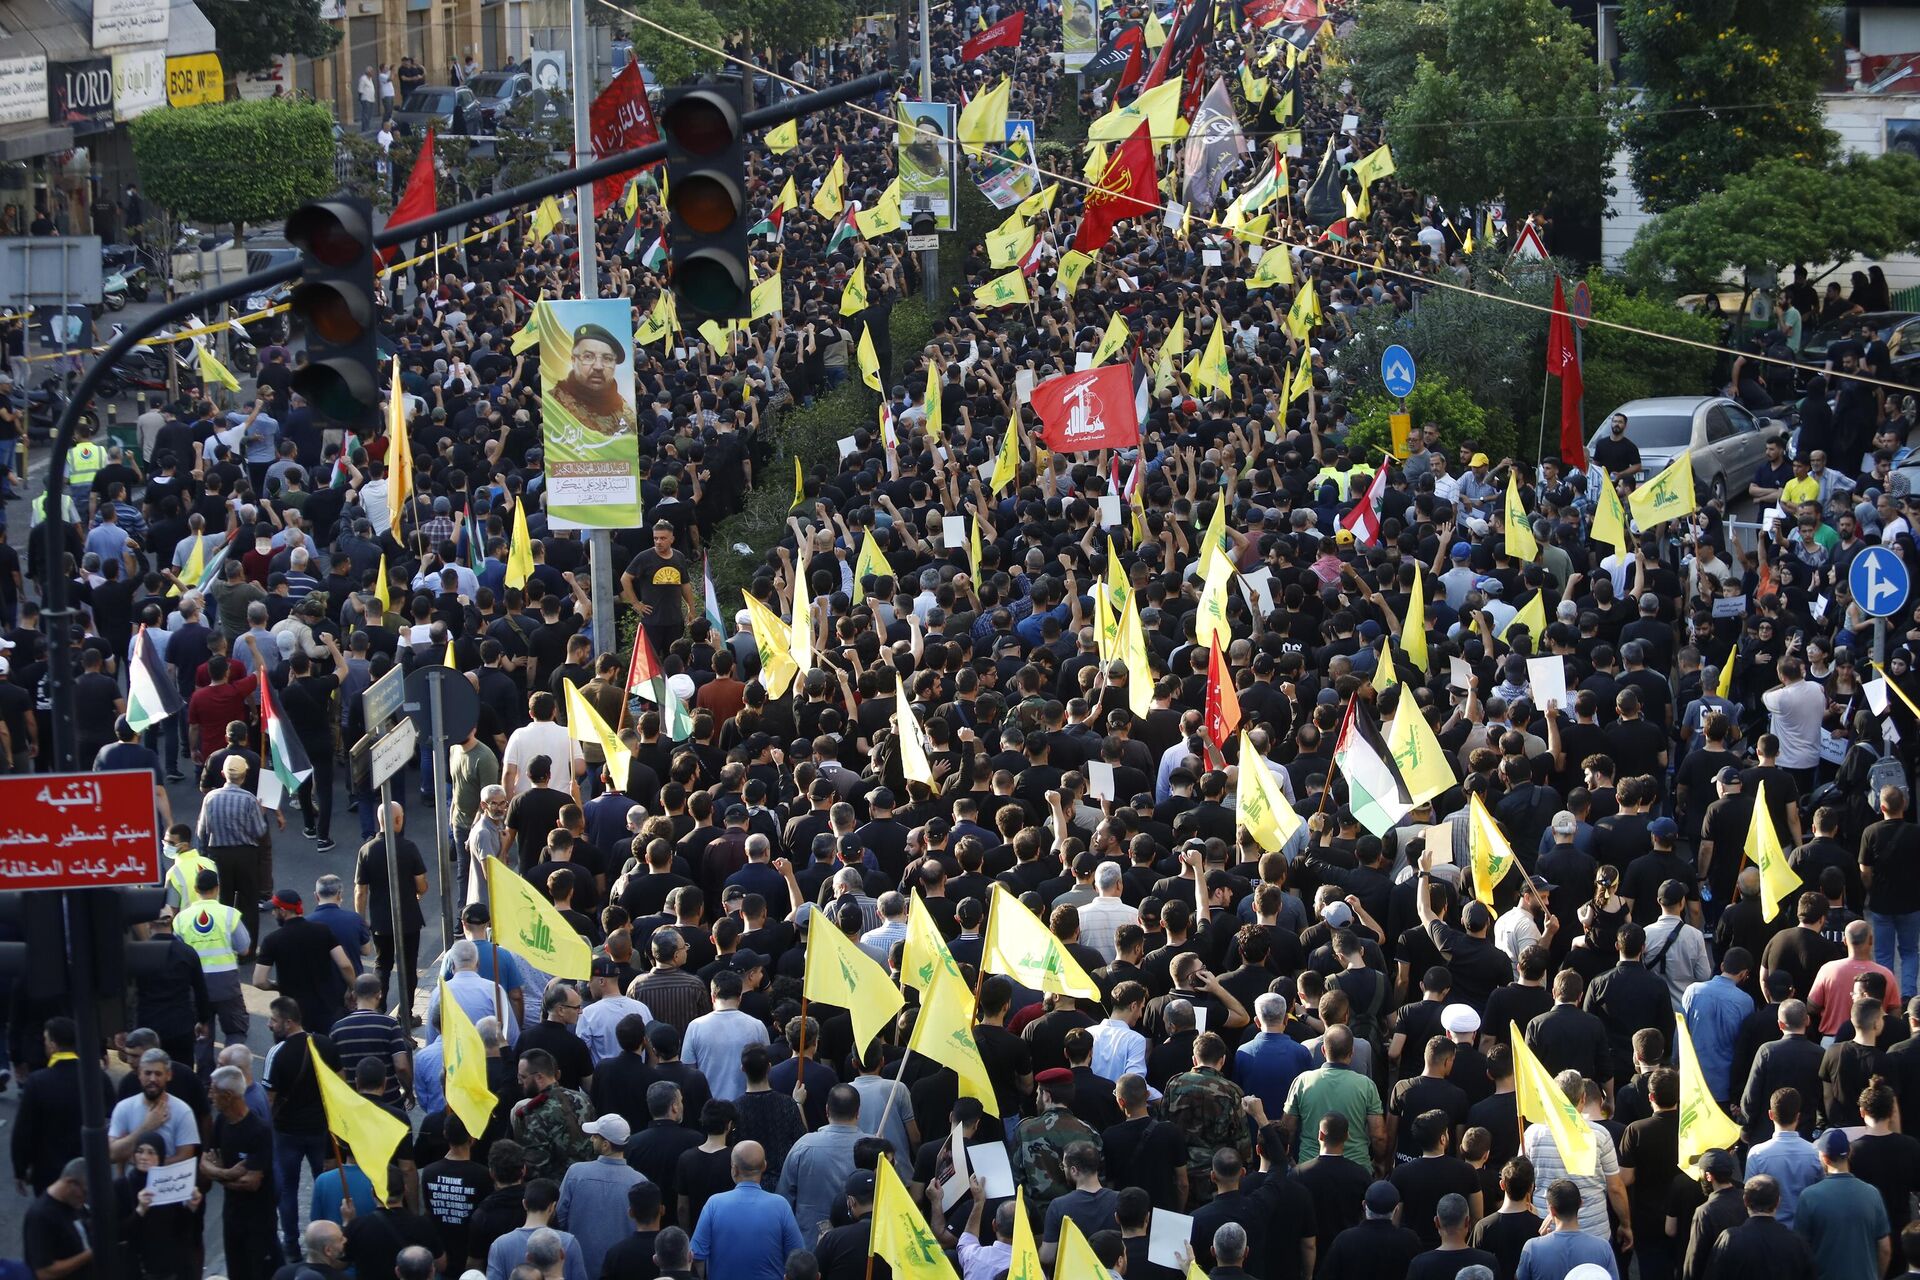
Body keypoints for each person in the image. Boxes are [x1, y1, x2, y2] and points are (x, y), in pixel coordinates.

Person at [206, 1063, 281, 1280]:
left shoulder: (259, 1130)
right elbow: (205, 1163)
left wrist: (218, 1172)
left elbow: (251, 1182)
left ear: (228, 1095)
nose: (210, 1096)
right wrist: (229, 1174)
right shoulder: (221, 1122)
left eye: (213, 1091)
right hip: (232, 1219)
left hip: (258, 1223)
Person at [690, 1141, 802, 1280]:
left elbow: (697, 1256)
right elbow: (797, 1256)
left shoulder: (714, 1204)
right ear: (764, 1166)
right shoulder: (780, 1205)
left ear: (734, 1169)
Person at [1794, 1129, 1891, 1280]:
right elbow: (1885, 1249)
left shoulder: (1809, 1197)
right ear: (1850, 1152)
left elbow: (1800, 1252)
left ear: (1825, 1158)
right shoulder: (1872, 1193)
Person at [555, 1114, 644, 1275]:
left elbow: (559, 1218)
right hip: (622, 1270)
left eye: (595, 1137)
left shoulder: (576, 1173)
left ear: (605, 1145)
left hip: (579, 1268)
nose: (591, 1140)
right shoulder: (639, 1182)